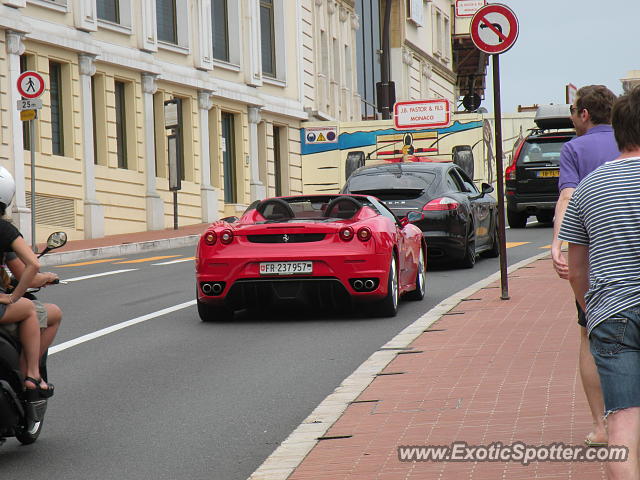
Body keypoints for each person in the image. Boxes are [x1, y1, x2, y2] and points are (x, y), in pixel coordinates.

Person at [560, 85, 640, 479]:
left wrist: (593, 311)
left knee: (622, 427)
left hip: (613, 313)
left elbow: (577, 270)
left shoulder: (589, 188)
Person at [551, 85, 619, 447]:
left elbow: (567, 196)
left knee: (589, 334)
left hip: (595, 264)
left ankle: (601, 425)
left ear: (585, 114)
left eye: (573, 111)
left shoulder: (574, 149)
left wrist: (557, 244)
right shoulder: (628, 143)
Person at [0, 167, 51, 400]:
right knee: (30, 309)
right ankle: (31, 375)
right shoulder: (5, 230)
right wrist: (12, 297)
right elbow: (32, 266)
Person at [1, 250, 61, 357]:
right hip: (2, 311)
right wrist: (47, 277)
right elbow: (32, 274)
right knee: (51, 312)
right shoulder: (7, 237)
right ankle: (31, 371)